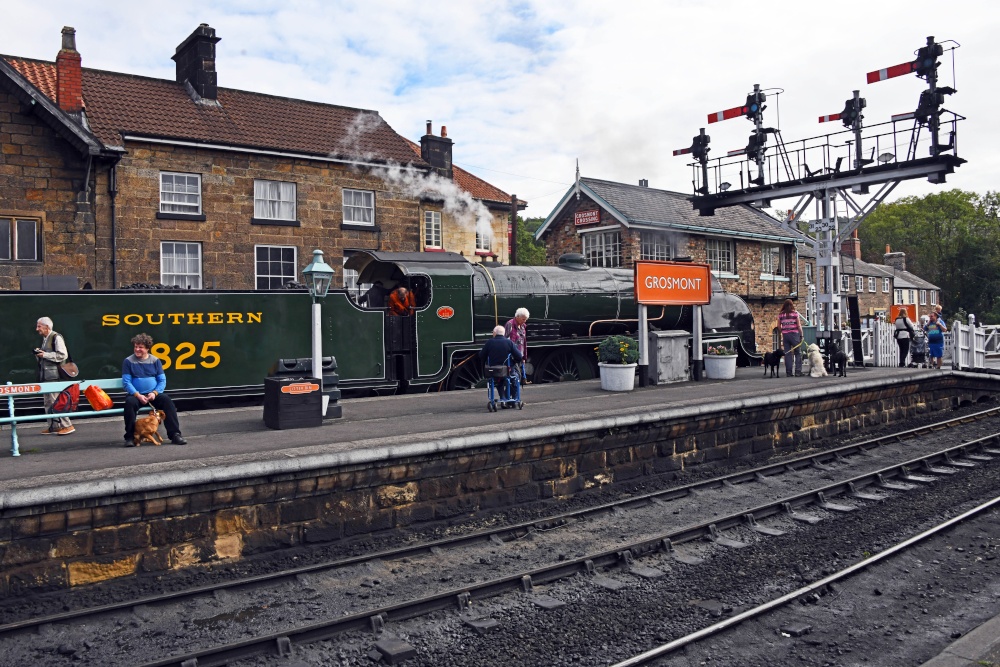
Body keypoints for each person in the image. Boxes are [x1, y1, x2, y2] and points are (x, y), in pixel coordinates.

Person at [122, 333, 187, 446]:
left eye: (140, 347)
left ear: (147, 348)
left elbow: (162, 380)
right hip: (136, 395)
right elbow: (126, 382)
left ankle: (175, 435)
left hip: (153, 394)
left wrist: (154, 393)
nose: (137, 349)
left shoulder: (155, 361)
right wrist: (137, 395)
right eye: (135, 346)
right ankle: (130, 437)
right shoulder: (128, 361)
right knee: (129, 403)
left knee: (167, 401)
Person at [34, 317, 75, 435]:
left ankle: (67, 425)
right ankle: (54, 426)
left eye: (39, 326)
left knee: (56, 401)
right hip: (47, 376)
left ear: (47, 327)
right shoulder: (46, 338)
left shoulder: (56, 337)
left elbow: (63, 355)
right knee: (48, 401)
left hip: (54, 376)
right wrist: (39, 353)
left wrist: (45, 355)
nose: (37, 329)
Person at [479, 325, 523, 399]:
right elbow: (519, 356)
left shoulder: (489, 342)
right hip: (507, 370)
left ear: (495, 333)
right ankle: (513, 398)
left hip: (493, 370)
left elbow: (481, 355)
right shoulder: (509, 342)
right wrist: (513, 362)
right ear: (503, 333)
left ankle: (503, 398)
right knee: (516, 377)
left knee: (499, 381)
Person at [777, 299, 803, 377]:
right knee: (798, 352)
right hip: (795, 334)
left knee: (787, 353)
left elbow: (778, 325)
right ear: (792, 305)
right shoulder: (795, 313)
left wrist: (782, 331)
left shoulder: (781, 314)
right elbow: (798, 325)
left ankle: (789, 372)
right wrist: (801, 335)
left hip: (785, 335)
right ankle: (798, 371)